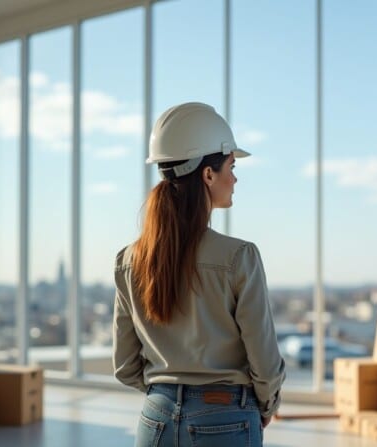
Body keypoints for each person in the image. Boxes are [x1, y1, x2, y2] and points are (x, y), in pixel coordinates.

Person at [112, 102, 286, 447]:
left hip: (154, 419)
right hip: (225, 418)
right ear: (208, 174)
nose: (234, 179)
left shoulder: (129, 259)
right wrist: (264, 405)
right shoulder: (239, 257)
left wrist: (166, 393)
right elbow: (264, 361)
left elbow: (125, 365)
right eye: (231, 167)